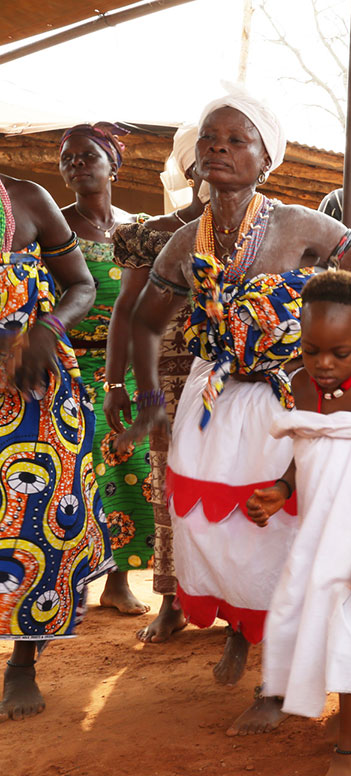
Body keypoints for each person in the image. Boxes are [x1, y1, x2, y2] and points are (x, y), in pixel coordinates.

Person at [116, 88, 351, 736]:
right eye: (210, 139)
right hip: (212, 402)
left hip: (287, 402)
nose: (219, 147)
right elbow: (144, 323)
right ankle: (243, 634)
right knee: (219, 531)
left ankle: (276, 687)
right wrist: (152, 401)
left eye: (237, 139)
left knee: (282, 532)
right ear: (193, 162)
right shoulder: (187, 240)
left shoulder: (300, 227)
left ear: (266, 160)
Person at [246, 270, 351, 776]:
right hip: (318, 526)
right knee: (311, 614)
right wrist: (281, 488)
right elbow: (306, 451)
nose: (323, 363)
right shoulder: (297, 384)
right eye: (312, 349)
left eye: (339, 352)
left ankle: (349, 755)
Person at [0, 172, 107, 721]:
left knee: (33, 524)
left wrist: (48, 328)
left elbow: (82, 285)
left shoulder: (25, 200)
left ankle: (22, 663)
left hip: (30, 394)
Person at [108, 124, 209, 643]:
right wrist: (115, 384)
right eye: (201, 160)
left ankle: (232, 597)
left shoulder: (259, 228)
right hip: (163, 383)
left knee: (232, 480)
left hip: (233, 378)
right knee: (169, 484)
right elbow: (126, 310)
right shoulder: (150, 232)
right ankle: (171, 598)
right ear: (187, 170)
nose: (211, 169)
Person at [57, 122, 154, 617]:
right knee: (80, 475)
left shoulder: (140, 228)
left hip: (129, 368)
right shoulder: (55, 228)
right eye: (68, 158)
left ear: (114, 165)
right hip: (72, 367)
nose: (77, 165)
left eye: (87, 156)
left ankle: (120, 580)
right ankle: (75, 582)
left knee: (131, 470)